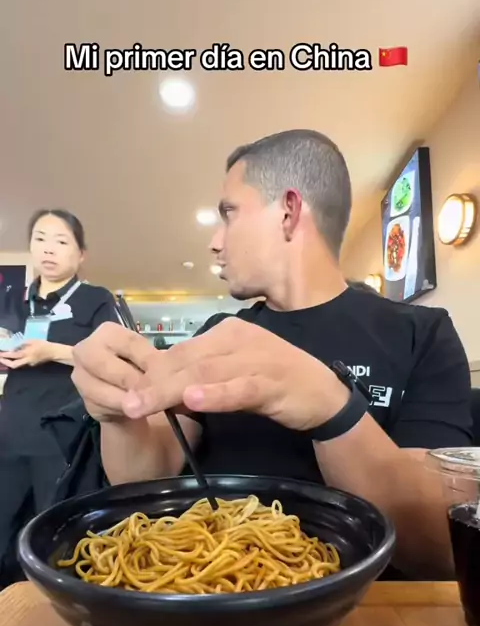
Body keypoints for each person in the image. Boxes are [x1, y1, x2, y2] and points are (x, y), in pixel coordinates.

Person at [72, 130, 472, 579]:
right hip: (214, 595)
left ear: (288, 211)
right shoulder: (219, 334)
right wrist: (118, 410)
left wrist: (333, 409)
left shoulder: (422, 332)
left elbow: (438, 548)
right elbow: (145, 479)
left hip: (370, 604)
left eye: (228, 214)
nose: (215, 242)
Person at [0, 209, 119, 579]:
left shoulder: (95, 299)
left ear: (81, 254)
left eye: (61, 241)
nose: (48, 249)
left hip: (64, 435)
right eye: (40, 239)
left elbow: (114, 358)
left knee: (57, 538)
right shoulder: (12, 300)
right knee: (5, 530)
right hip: (10, 432)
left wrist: (52, 351)